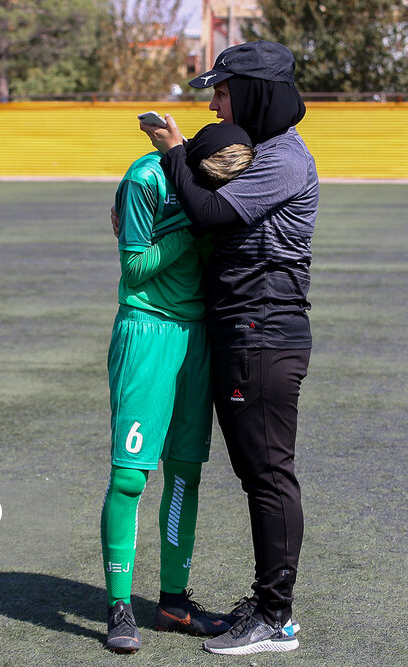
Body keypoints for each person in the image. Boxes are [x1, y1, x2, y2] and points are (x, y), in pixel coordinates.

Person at [139, 40, 318, 656]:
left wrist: (173, 155)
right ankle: (271, 607)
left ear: (254, 92)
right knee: (257, 473)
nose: (215, 104)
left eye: (222, 92)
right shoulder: (261, 150)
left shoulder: (285, 159)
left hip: (261, 333)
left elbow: (209, 213)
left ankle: (275, 616)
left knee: (268, 474)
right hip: (243, 331)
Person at [101, 123, 256, 654]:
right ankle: (118, 605)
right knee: (129, 478)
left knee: (186, 474)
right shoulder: (146, 179)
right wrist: (189, 230)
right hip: (147, 332)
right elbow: (134, 267)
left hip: (199, 338)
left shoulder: (226, 186)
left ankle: (172, 602)